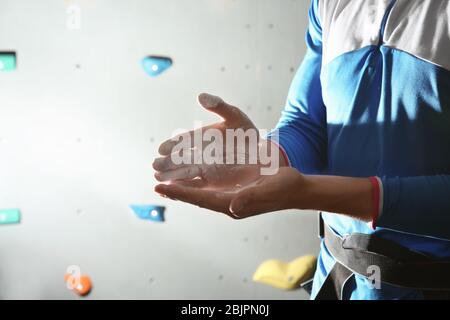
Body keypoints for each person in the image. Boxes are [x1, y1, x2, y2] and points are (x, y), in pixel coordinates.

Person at [153, 0, 450, 300]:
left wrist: (311, 193)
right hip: (338, 278)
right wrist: (263, 157)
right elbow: (307, 125)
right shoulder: (328, 4)